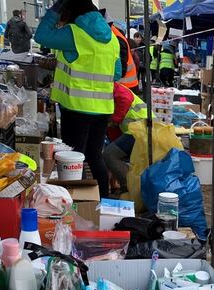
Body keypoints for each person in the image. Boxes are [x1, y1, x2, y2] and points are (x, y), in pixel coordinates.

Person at [34, 0, 121, 198]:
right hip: (102, 109)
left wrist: (54, 11)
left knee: (72, 160)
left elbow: (41, 36)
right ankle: (103, 203)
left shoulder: (74, 33)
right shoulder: (111, 38)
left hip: (76, 109)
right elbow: (117, 74)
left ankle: (77, 204)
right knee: (94, 157)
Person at [103, 82, 154, 194]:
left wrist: (114, 120)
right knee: (111, 153)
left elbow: (124, 99)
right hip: (140, 130)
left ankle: (128, 187)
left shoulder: (117, 90)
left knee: (109, 154)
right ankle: (125, 185)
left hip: (142, 129)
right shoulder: (112, 90)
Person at [100, 9, 138, 91]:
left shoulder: (116, 38)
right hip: (123, 86)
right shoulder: (112, 33)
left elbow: (121, 70)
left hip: (126, 87)